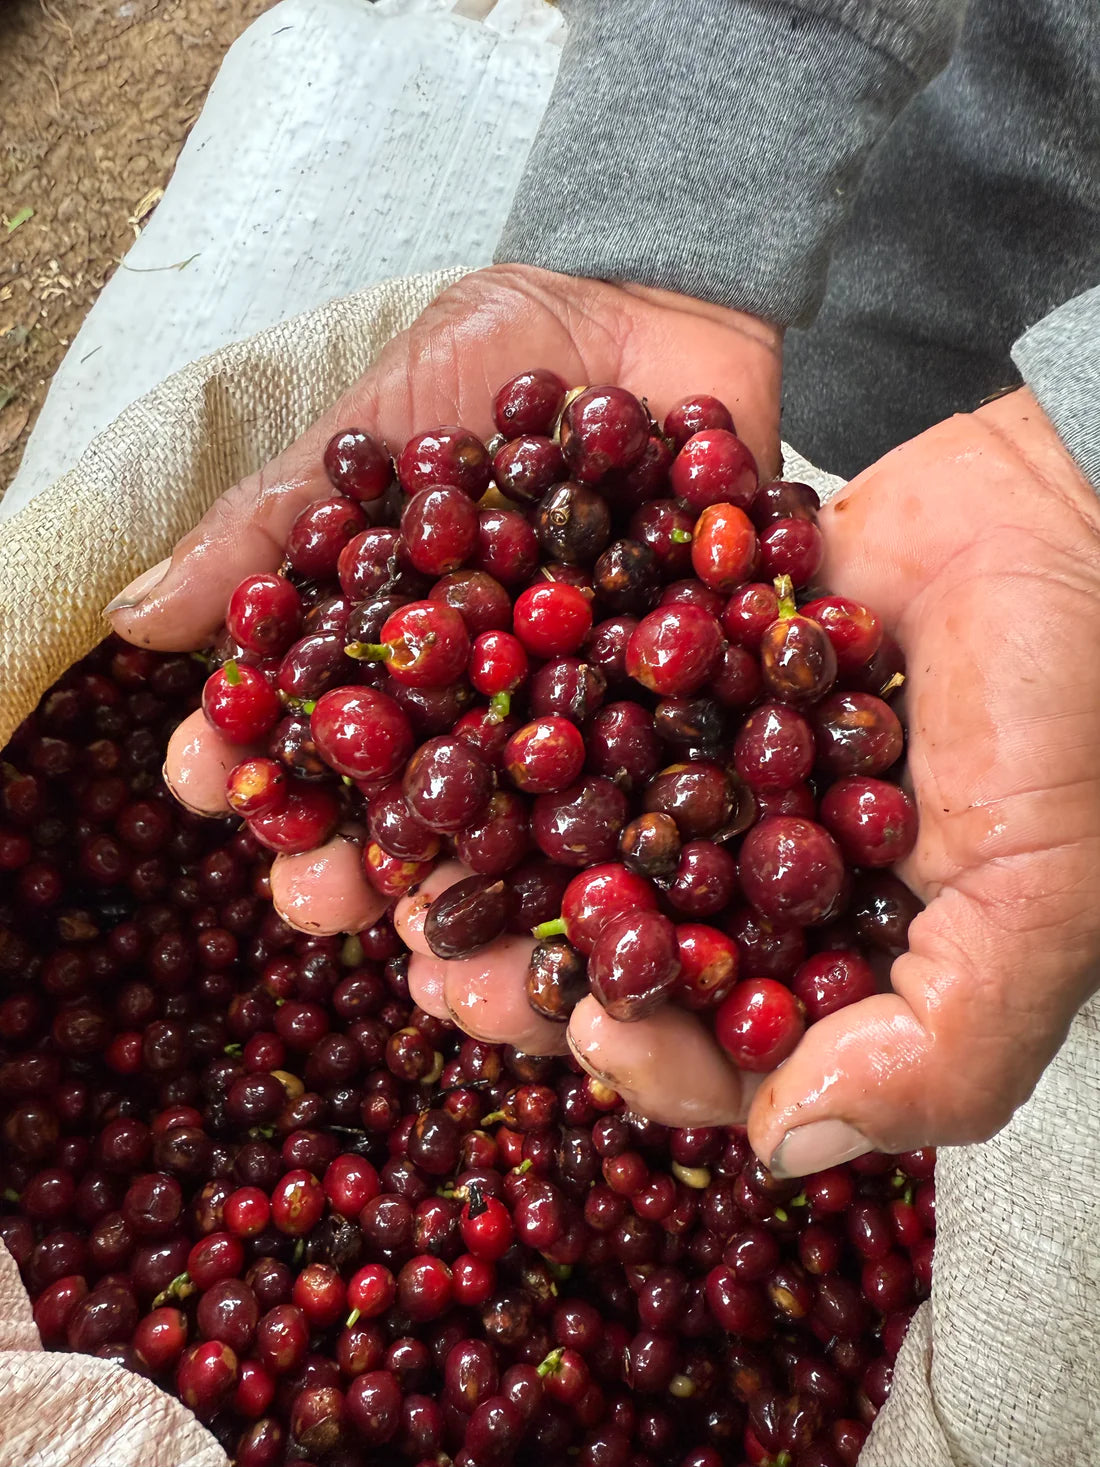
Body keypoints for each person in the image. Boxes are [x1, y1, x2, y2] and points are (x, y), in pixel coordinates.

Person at [106, 0, 1100, 1180]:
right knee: (845, 375)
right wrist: (662, 234)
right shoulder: (553, 632)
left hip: (1001, 465)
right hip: (911, 193)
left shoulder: (692, 709)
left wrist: (1075, 476)